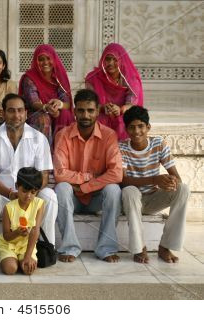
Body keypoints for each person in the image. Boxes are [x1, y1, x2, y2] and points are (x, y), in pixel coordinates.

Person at [0, 93, 57, 261]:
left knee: (50, 196)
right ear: (4, 113)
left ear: (26, 113)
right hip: (3, 194)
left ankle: (45, 248)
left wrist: (29, 193)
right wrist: (11, 194)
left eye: (20, 111)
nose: (16, 115)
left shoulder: (38, 138)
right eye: (11, 111)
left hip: (30, 194)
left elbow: (44, 175)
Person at [54, 89, 122, 263]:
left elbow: (116, 173)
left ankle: (106, 248)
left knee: (114, 190)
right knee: (62, 188)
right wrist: (89, 177)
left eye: (90, 110)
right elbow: (60, 174)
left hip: (96, 198)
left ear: (97, 111)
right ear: (74, 111)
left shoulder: (108, 135)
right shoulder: (63, 135)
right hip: (73, 199)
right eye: (81, 110)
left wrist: (85, 186)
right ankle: (69, 247)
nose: (85, 115)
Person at [120, 106, 190, 264]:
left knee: (183, 188)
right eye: (132, 127)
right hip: (131, 202)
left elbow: (176, 176)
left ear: (148, 127)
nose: (137, 131)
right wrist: (154, 179)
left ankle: (166, 246)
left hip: (152, 200)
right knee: (130, 191)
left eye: (141, 126)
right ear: (126, 130)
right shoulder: (121, 147)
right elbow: (122, 180)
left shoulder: (158, 143)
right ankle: (139, 248)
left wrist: (171, 182)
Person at [85, 43, 144, 141]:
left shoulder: (131, 78)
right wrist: (103, 107)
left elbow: (132, 104)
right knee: (98, 121)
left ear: (121, 60)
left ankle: (121, 152)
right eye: (107, 59)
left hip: (123, 112)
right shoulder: (93, 78)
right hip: (101, 111)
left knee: (122, 122)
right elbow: (89, 103)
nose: (110, 63)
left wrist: (120, 110)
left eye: (115, 59)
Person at [19, 44, 74, 145]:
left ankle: (62, 151)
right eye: (41, 59)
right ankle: (45, 154)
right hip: (35, 112)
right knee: (43, 118)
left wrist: (59, 104)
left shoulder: (58, 77)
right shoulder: (30, 78)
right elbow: (33, 102)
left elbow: (68, 103)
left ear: (54, 59)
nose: (45, 62)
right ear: (36, 60)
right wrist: (46, 107)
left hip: (54, 111)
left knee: (65, 114)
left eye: (48, 58)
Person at [0, 167, 45, 275]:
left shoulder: (39, 204)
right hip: (9, 244)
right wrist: (17, 232)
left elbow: (35, 231)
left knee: (28, 270)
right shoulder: (8, 207)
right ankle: (10, 259)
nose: (28, 196)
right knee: (10, 269)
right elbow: (6, 236)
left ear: (37, 191)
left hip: (27, 245)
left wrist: (27, 257)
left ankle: (21, 259)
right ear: (17, 186)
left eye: (33, 192)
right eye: (24, 191)